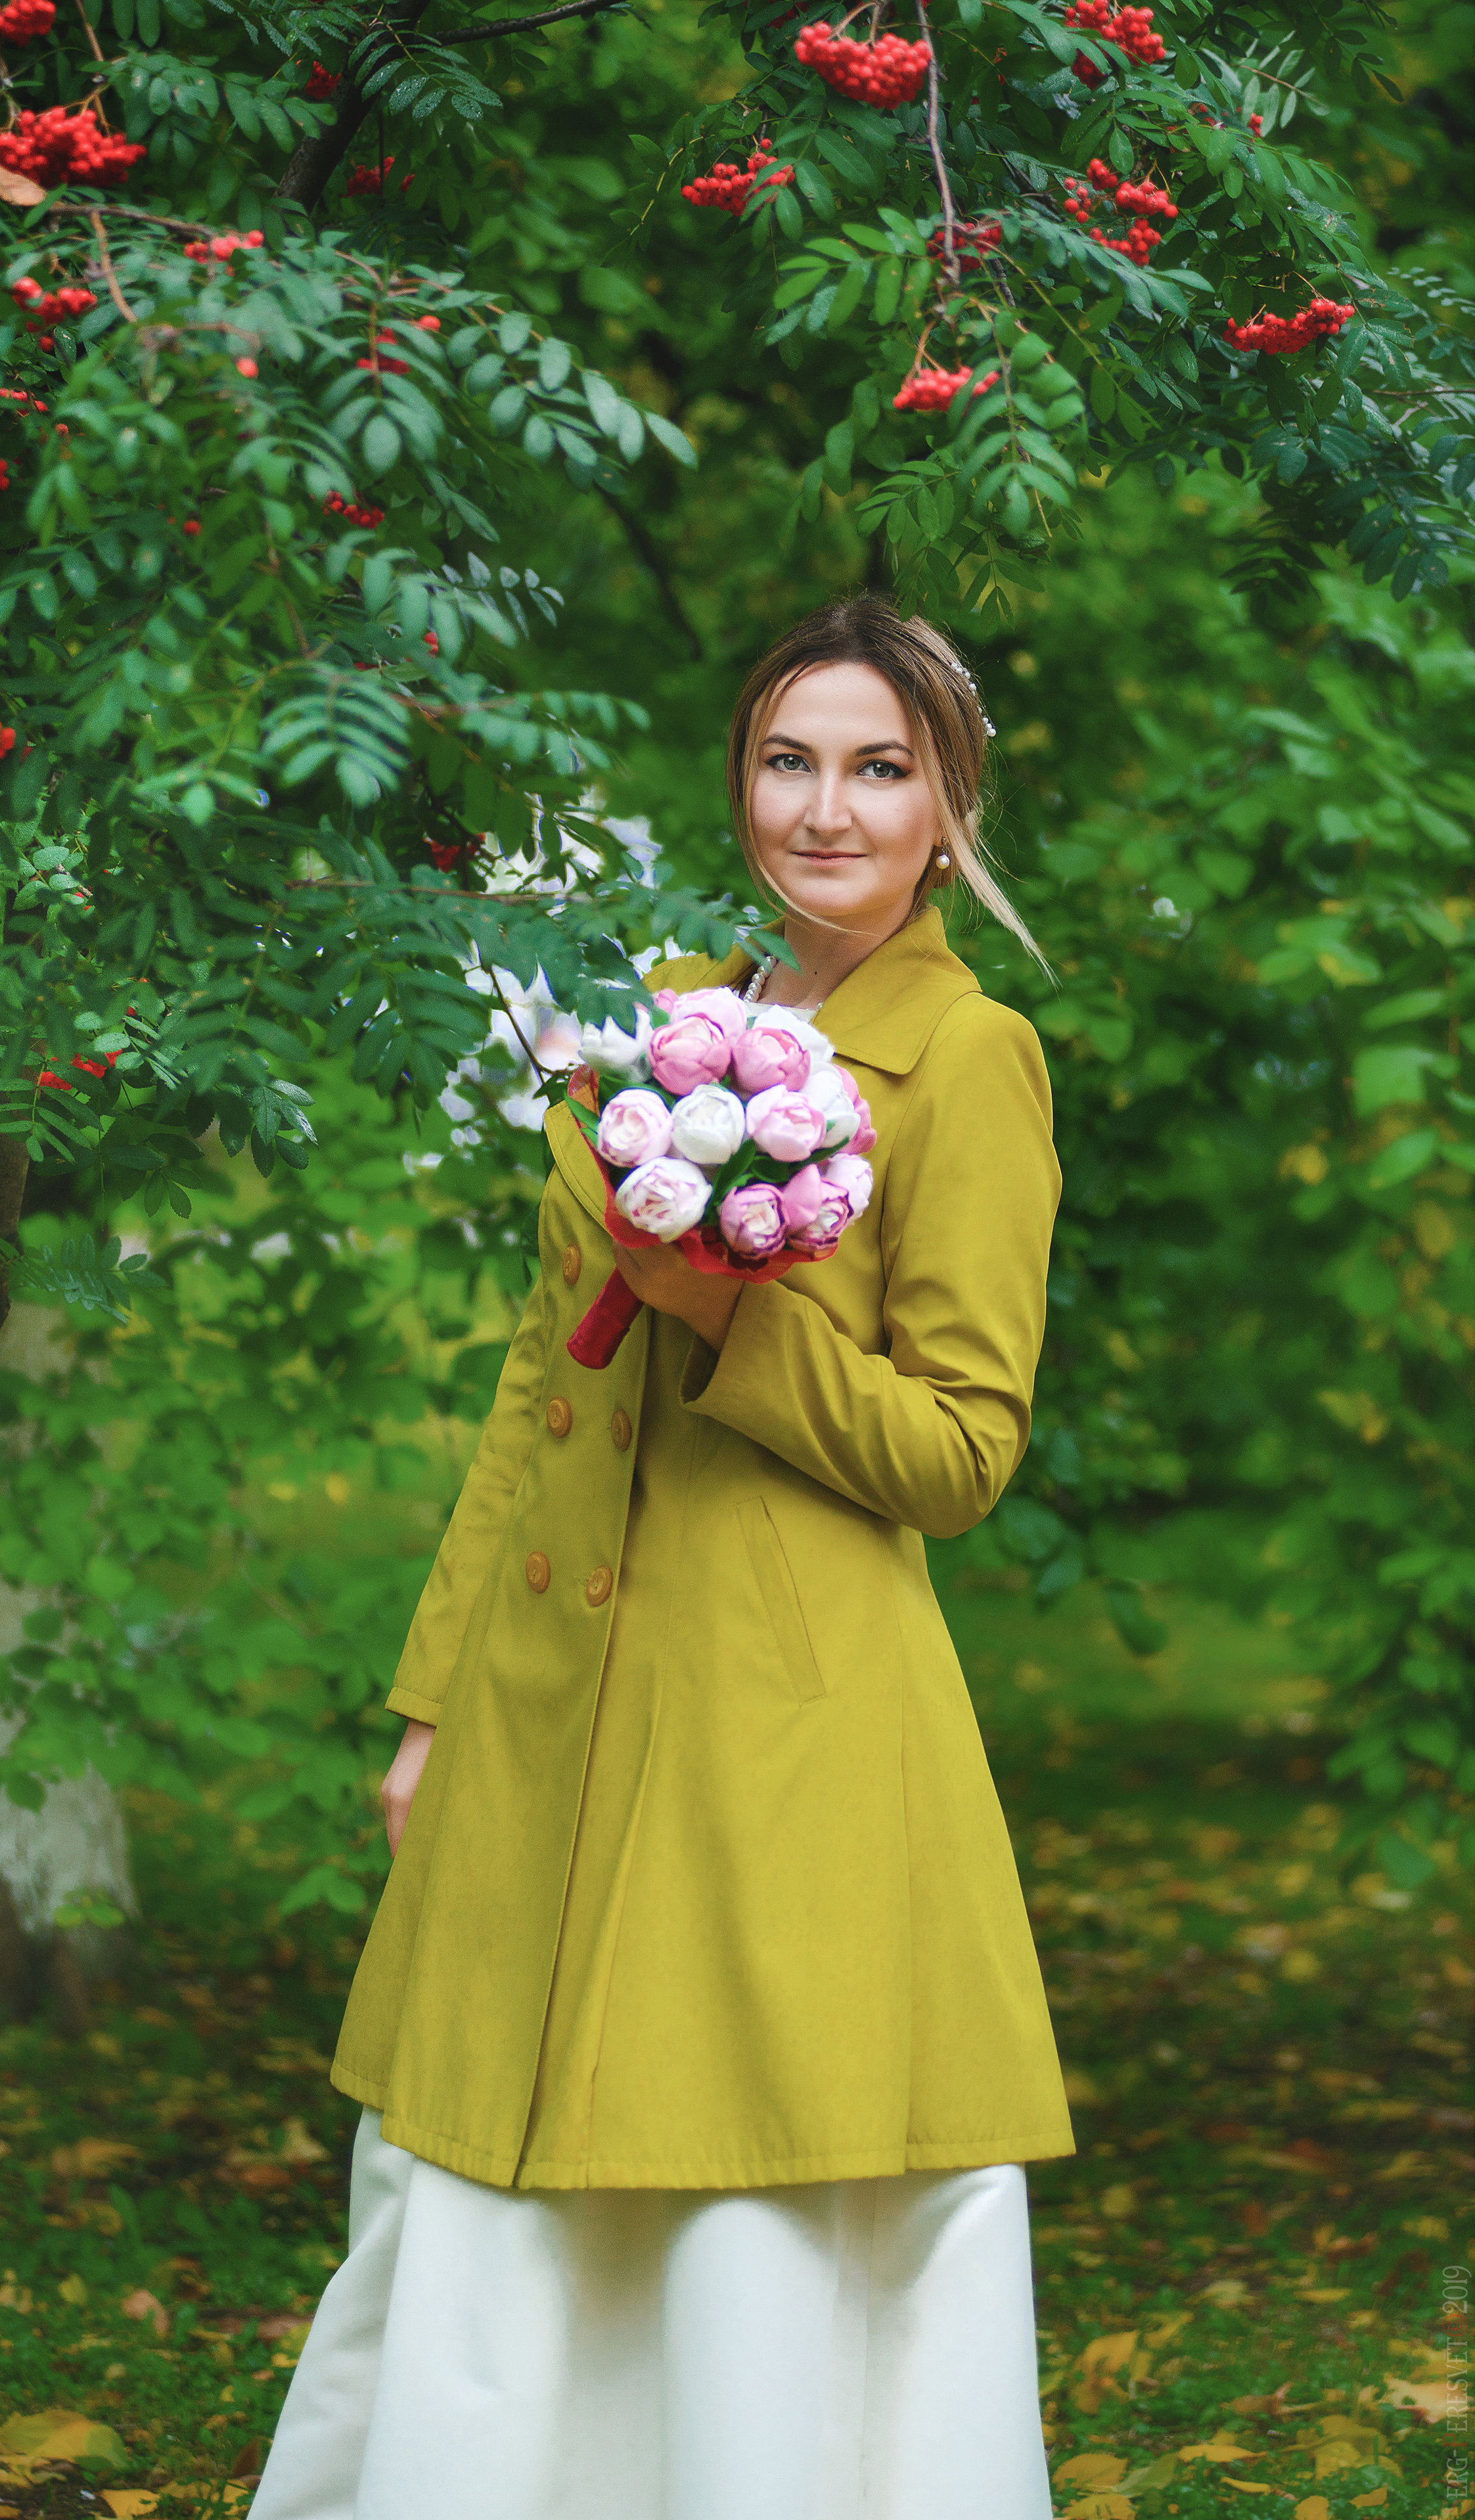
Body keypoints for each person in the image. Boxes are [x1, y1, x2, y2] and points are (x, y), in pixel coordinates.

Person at [249, 596, 1072, 2520]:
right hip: (549, 1718)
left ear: (949, 801)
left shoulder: (971, 1052)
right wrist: (437, 1701)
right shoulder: (668, 1009)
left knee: (737, 2194)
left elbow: (963, 1450)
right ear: (742, 780)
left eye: (880, 767)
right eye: (792, 759)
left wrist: (728, 1314)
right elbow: (543, 1389)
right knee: (472, 2172)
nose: (829, 809)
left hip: (779, 1736)